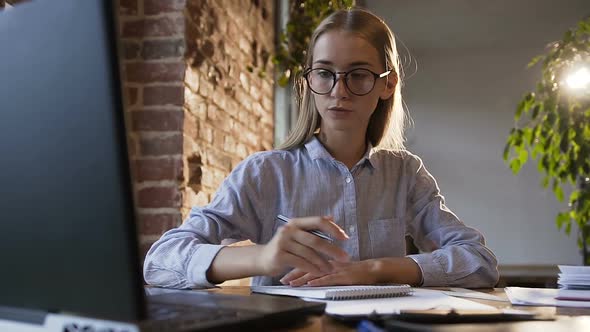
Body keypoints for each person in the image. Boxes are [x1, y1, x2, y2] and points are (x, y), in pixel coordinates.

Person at [143, 8, 499, 289]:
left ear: (387, 84)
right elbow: (160, 261)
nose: (338, 91)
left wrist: (374, 270)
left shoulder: (405, 173)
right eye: (325, 73)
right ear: (309, 80)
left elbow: (479, 261)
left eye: (358, 74)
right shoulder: (265, 172)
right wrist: (262, 258)